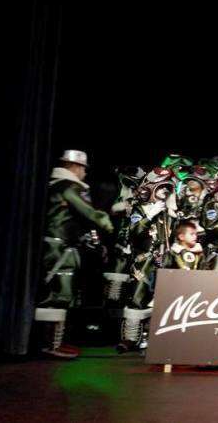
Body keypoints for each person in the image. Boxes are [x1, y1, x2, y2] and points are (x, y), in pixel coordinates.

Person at [35, 150, 114, 359]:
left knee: (58, 292)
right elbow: (88, 212)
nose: (85, 174)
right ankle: (50, 345)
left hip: (56, 245)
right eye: (83, 169)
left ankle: (54, 341)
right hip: (59, 247)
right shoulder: (69, 187)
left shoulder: (54, 185)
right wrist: (106, 223)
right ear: (76, 168)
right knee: (59, 293)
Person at [118, 167, 177, 353]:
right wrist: (149, 214)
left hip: (164, 261)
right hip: (143, 262)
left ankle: (153, 338)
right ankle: (130, 338)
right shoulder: (140, 209)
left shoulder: (167, 212)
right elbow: (133, 233)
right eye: (162, 187)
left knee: (161, 300)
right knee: (137, 298)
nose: (165, 191)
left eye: (167, 188)